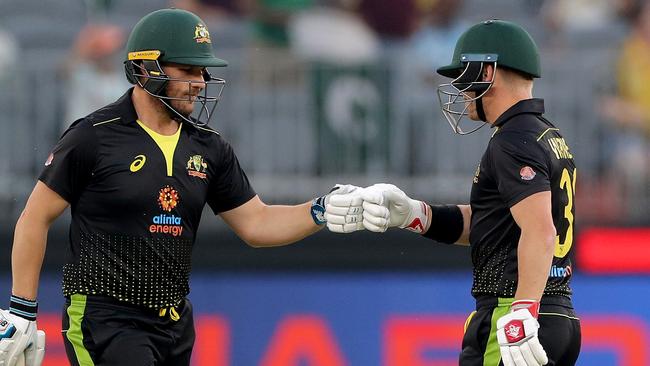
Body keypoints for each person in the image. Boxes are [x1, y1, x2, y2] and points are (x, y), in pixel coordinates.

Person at [0, 8, 363, 366]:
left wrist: (321, 210)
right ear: (146, 69)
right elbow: (34, 218)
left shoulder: (209, 147)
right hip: (104, 319)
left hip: (174, 324)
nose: (200, 82)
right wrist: (22, 311)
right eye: (187, 70)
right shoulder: (92, 136)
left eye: (202, 71)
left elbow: (257, 223)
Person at [326, 20, 581, 366]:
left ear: (487, 71)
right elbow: (497, 225)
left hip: (512, 310)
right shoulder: (546, 134)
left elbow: (540, 230)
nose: (460, 87)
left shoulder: (512, 140)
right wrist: (416, 215)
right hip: (558, 311)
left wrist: (523, 311)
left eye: (465, 73)